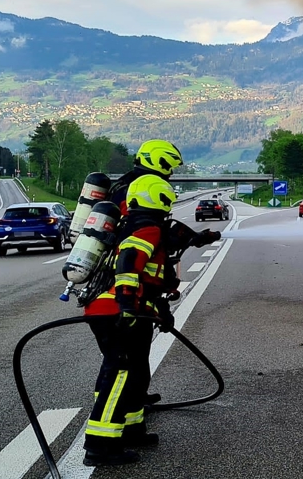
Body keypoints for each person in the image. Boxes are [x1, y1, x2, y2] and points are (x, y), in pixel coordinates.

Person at [81, 173, 218, 466]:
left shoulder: (138, 226)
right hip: (116, 312)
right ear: (159, 198)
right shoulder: (146, 230)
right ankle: (99, 446)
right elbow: (128, 262)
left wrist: (161, 313)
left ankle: (131, 430)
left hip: (125, 311)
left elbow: (151, 282)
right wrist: (127, 305)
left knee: (136, 372)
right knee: (119, 374)